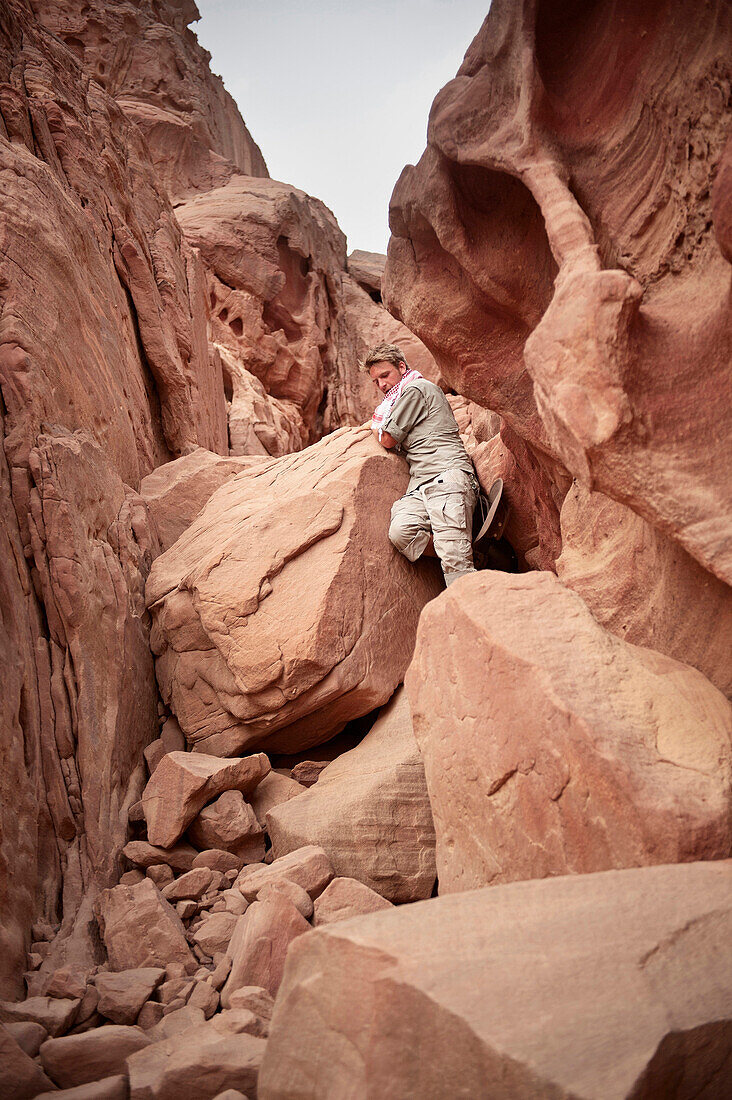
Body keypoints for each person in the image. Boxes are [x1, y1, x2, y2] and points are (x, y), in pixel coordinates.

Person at [362, 342, 479, 586]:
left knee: (455, 563)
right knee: (401, 532)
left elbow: (387, 437)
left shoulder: (416, 388)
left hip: (446, 476)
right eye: (376, 381)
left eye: (385, 375)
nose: (382, 384)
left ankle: (461, 563)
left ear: (401, 367)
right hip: (419, 485)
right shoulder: (396, 400)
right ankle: (465, 549)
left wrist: (374, 426)